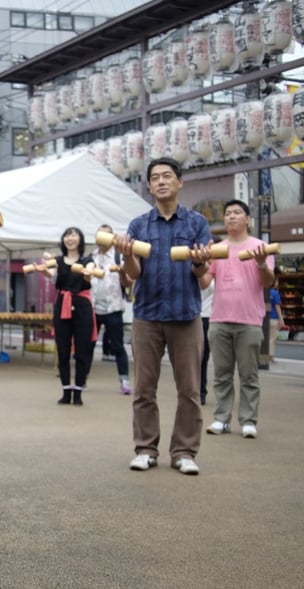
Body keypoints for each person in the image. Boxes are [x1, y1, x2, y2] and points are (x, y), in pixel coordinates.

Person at [113, 157, 211, 476]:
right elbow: (133, 273)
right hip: (147, 316)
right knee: (143, 388)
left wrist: (199, 262)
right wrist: (127, 254)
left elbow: (201, 273)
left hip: (186, 315)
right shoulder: (138, 226)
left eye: (167, 176)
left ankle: (184, 451)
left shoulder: (196, 224)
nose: (161, 181)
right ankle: (145, 448)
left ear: (180, 182)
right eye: (155, 177)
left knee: (190, 390)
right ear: (150, 186)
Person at [200, 199, 275, 439]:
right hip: (219, 319)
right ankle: (222, 419)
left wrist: (261, 262)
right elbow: (204, 283)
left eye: (237, 213)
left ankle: (248, 420)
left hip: (249, 321)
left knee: (249, 375)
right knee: (221, 374)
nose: (231, 216)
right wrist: (200, 264)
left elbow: (268, 282)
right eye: (228, 213)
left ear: (248, 219)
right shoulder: (218, 249)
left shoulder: (260, 246)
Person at [43, 227, 97, 406]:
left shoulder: (87, 260)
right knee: (63, 350)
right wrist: (43, 268)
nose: (70, 238)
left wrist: (88, 274)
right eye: (67, 235)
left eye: (74, 235)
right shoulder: (58, 261)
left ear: (80, 240)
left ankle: (79, 391)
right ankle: (66, 390)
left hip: (82, 306)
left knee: (82, 351)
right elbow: (50, 273)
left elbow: (90, 272)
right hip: (62, 304)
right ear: (63, 240)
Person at [90, 224, 131, 395]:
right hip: (93, 308)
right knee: (88, 345)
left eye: (107, 235)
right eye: (100, 234)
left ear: (113, 238)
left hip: (113, 308)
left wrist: (122, 272)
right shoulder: (90, 257)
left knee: (118, 346)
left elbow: (128, 282)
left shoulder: (118, 256)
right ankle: (81, 379)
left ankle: (124, 380)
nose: (102, 238)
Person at [200, 277, 214, 405]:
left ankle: (201, 391)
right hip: (198, 316)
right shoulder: (198, 270)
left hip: (212, 317)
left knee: (204, 357)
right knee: (198, 358)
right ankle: (199, 390)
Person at [268, 274, 285, 365]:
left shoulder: (265, 292)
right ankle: (270, 357)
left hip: (265, 318)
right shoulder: (275, 293)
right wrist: (281, 319)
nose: (278, 283)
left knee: (265, 338)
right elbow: (277, 306)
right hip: (274, 318)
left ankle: (263, 356)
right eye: (277, 281)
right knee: (272, 338)